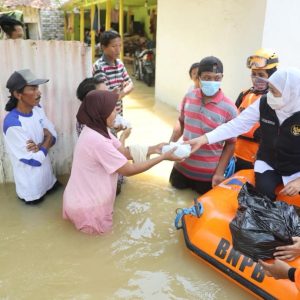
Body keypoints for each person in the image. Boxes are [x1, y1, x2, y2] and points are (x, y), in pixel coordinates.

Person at [63, 90, 181, 235]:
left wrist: (156, 149)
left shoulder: (96, 129)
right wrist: (162, 158)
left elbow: (123, 152)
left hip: (79, 198)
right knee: (98, 248)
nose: (116, 115)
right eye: (112, 111)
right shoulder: (97, 141)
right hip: (89, 208)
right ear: (100, 113)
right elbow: (128, 169)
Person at [186, 68, 300, 201]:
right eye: (270, 89)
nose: (270, 95)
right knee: (263, 194)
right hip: (269, 163)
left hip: (296, 168)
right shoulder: (264, 103)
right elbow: (236, 125)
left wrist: (298, 181)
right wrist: (204, 139)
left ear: (291, 92)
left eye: (274, 92)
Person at [168, 56, 238, 194]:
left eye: (217, 78)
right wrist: (169, 145)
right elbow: (181, 121)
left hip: (207, 177)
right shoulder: (189, 97)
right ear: (198, 77)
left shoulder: (230, 109)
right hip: (180, 168)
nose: (212, 82)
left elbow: (230, 144)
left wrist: (219, 173)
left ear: (222, 77)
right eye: (207, 77)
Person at [3, 69, 57, 204]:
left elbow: (54, 135)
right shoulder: (13, 124)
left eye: (37, 88)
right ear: (17, 94)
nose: (38, 93)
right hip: (32, 189)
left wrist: (41, 146)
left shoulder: (37, 109)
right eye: (32, 89)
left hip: (49, 180)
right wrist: (47, 139)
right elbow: (34, 161)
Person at [234, 49, 279, 171]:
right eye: (254, 74)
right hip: (234, 156)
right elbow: (231, 122)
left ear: (272, 76)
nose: (256, 78)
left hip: (256, 161)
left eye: (261, 75)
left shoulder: (277, 101)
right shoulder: (244, 94)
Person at [93, 30, 133, 116]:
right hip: (105, 116)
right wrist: (122, 90)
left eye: (120, 46)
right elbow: (105, 96)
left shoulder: (119, 63)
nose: (118, 50)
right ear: (103, 47)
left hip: (118, 113)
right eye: (114, 46)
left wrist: (120, 93)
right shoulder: (99, 67)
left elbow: (131, 85)